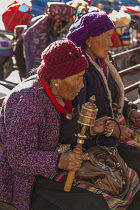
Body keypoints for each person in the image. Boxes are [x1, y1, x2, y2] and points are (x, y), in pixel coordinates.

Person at [0, 40, 139, 210]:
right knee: (94, 204)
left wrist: (91, 129)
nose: (82, 85)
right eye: (78, 78)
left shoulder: (61, 94)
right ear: (57, 79)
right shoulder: (29, 100)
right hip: (26, 181)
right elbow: (18, 157)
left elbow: (61, 134)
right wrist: (60, 160)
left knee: (129, 179)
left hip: (55, 165)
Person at [67, 11, 140, 208]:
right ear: (89, 40)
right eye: (107, 37)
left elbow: (113, 97)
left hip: (115, 130)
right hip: (97, 141)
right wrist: (113, 129)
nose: (111, 44)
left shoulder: (103, 62)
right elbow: (78, 116)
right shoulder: (80, 69)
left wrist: (131, 111)